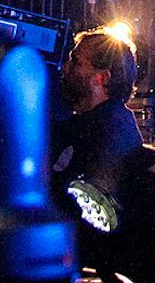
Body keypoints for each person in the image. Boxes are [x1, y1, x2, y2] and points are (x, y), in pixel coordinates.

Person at [50, 29, 143, 216]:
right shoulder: (87, 123)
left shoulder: (111, 133)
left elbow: (91, 214)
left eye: (75, 62)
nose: (65, 68)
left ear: (101, 78)